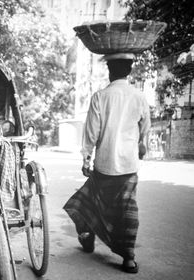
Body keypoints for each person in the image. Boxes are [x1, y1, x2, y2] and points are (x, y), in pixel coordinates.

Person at [63, 54, 151, 274]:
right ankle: (129, 258)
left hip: (104, 166)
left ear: (109, 71)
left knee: (87, 201)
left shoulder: (100, 97)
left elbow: (91, 133)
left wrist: (86, 159)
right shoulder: (139, 97)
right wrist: (141, 147)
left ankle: (88, 234)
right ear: (129, 71)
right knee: (127, 209)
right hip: (129, 166)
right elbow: (145, 131)